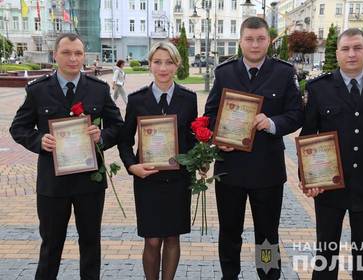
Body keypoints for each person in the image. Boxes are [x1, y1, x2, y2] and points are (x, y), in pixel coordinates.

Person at [9, 33, 124, 280]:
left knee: (91, 243)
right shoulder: (38, 90)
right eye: (67, 53)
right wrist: (40, 141)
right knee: (51, 245)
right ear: (55, 55)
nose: (73, 58)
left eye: (78, 53)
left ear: (84, 56)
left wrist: (101, 136)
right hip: (53, 183)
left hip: (89, 182)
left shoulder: (98, 90)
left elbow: (118, 127)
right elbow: (18, 128)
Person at [204, 17, 303, 280]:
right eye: (249, 39)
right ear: (240, 41)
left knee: (267, 234)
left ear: (269, 40)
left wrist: (271, 123)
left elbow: (296, 114)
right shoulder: (224, 73)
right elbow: (210, 114)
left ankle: (268, 275)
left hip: (267, 171)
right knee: (229, 231)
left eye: (260, 39)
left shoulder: (284, 72)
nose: (255, 44)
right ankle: (230, 275)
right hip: (230, 169)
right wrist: (217, 136)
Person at [300, 28, 363, 280]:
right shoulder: (319, 88)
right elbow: (308, 137)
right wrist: (308, 180)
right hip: (328, 186)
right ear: (337, 54)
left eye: (357, 47)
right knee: (326, 251)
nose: (352, 54)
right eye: (345, 49)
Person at [118, 41, 197, 280]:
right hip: (148, 179)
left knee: (172, 237)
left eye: (169, 62)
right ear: (150, 64)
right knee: (152, 240)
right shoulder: (136, 100)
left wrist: (198, 161)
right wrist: (132, 166)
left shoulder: (188, 98)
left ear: (178, 65)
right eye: (158, 62)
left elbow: (192, 138)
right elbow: (124, 140)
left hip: (177, 179)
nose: (163, 68)